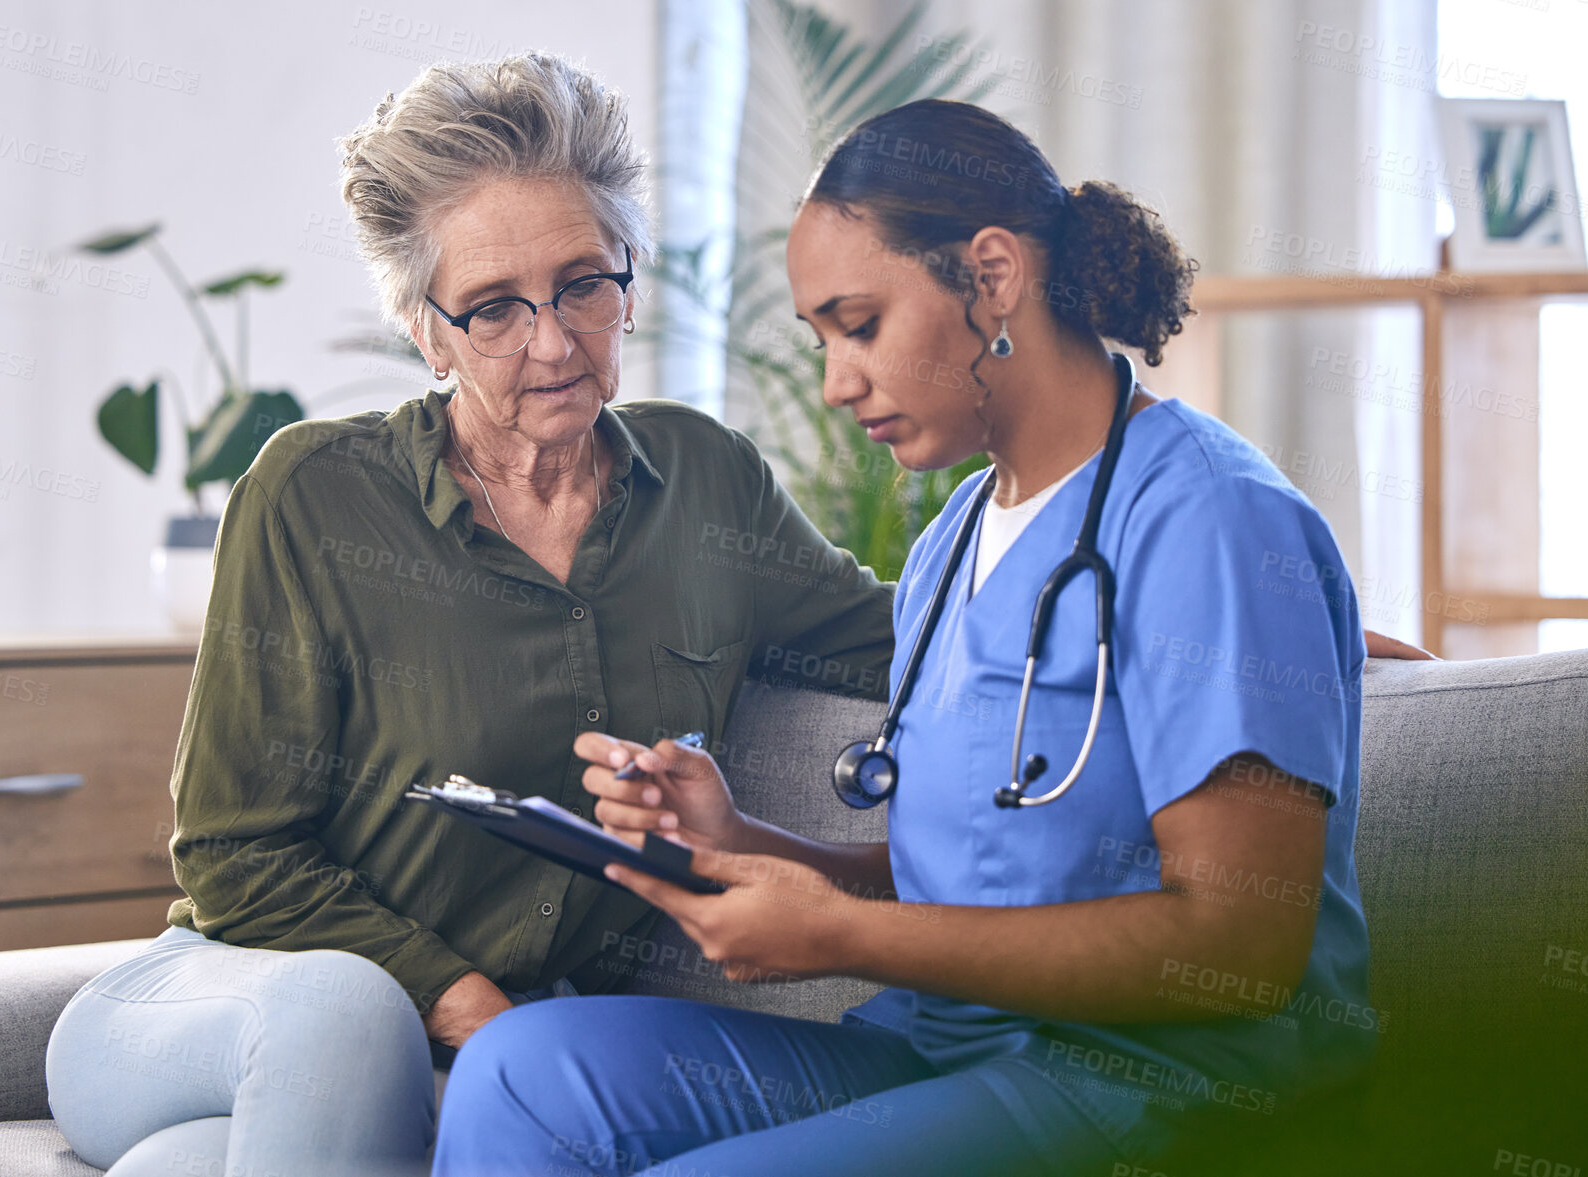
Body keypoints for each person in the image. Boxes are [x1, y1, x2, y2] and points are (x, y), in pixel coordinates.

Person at [430, 98, 1387, 1176]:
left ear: (990, 275)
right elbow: (987, 870)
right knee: (520, 1068)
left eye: (860, 324)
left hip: (1157, 1088)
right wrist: (752, 844)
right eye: (823, 339)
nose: (837, 382)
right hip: (944, 1044)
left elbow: (1241, 948)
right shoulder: (952, 543)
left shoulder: (1209, 519)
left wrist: (838, 935)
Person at [42, 54, 895, 1177]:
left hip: (423, 1077)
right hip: (213, 1009)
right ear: (424, 330)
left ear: (629, 284)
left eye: (583, 283)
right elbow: (236, 858)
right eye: (493, 307)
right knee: (348, 1015)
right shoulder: (313, 493)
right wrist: (469, 1008)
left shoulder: (709, 485)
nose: (551, 340)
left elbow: (918, 637)